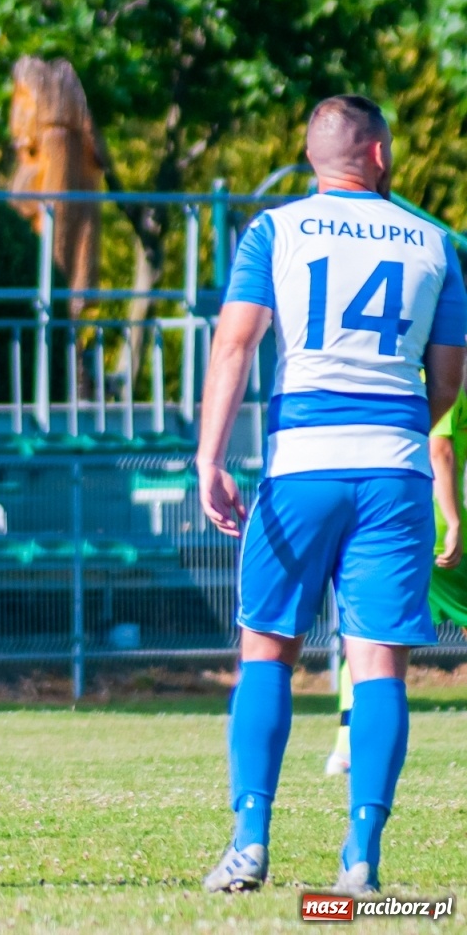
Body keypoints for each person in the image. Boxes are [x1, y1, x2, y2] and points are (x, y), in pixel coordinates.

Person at [196, 95, 466, 896]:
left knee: (267, 651)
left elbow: (236, 342)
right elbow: (447, 380)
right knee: (379, 660)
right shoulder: (437, 243)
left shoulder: (274, 230)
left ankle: (249, 842)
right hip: (394, 469)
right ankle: (360, 863)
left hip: (299, 466)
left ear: (315, 158)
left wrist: (210, 457)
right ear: (379, 156)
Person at [327, 386, 467, 774]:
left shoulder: (393, 380)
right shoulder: (441, 383)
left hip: (385, 521)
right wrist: (454, 519)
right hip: (433, 527)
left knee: (368, 634)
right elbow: (439, 450)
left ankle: (345, 748)